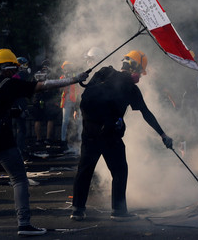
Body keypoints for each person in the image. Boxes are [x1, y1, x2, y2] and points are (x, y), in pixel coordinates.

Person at [0, 48, 88, 235]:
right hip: (2, 142)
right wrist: (74, 79)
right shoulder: (9, 84)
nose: (15, 73)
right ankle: (24, 223)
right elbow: (45, 85)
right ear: (6, 68)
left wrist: (10, 112)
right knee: (19, 179)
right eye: (13, 69)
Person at [70, 50, 174, 222]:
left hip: (89, 130)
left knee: (85, 170)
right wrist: (163, 135)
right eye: (140, 72)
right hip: (110, 134)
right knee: (119, 171)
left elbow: (86, 92)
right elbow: (146, 114)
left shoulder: (103, 72)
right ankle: (118, 211)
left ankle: (77, 210)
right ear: (135, 68)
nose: (140, 75)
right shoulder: (131, 88)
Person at [32, 60, 62, 147]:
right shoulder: (52, 74)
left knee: (38, 120)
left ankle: (38, 139)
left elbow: (31, 85)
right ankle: (48, 139)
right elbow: (57, 86)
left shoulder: (36, 74)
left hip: (37, 99)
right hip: (49, 99)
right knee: (50, 119)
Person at [11, 56, 32, 160]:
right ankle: (20, 150)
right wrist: (24, 108)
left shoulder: (13, 75)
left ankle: (17, 149)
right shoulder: (20, 75)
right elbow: (21, 93)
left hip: (12, 105)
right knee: (21, 129)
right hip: (18, 105)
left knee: (16, 129)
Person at [59, 60, 81, 152]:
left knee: (79, 120)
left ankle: (80, 138)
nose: (67, 69)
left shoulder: (75, 77)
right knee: (65, 121)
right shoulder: (62, 77)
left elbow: (79, 89)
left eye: (68, 67)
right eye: (65, 68)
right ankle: (63, 140)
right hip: (66, 102)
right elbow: (60, 90)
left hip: (75, 101)